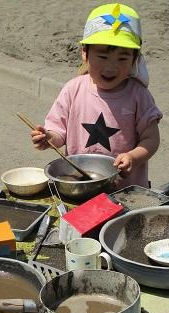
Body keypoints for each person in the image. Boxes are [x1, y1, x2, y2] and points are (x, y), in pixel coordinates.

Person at [31, 3, 162, 188]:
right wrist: (48, 139)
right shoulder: (73, 89)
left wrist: (133, 157)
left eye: (122, 58)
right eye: (102, 56)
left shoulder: (138, 95)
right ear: (85, 53)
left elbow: (151, 139)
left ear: (135, 59)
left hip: (125, 189)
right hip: (79, 184)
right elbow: (59, 132)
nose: (111, 67)